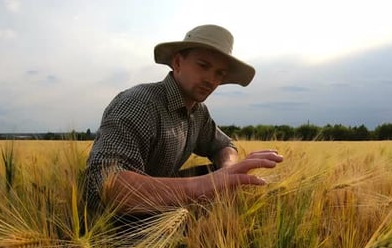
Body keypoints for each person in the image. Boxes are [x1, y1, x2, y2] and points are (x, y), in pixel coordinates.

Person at [84, 24, 283, 215]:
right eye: (203, 66)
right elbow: (105, 182)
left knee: (225, 174)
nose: (211, 80)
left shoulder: (198, 113)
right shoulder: (139, 103)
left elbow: (224, 145)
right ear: (178, 63)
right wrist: (205, 185)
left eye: (219, 73)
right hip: (117, 226)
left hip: (160, 215)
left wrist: (228, 170)